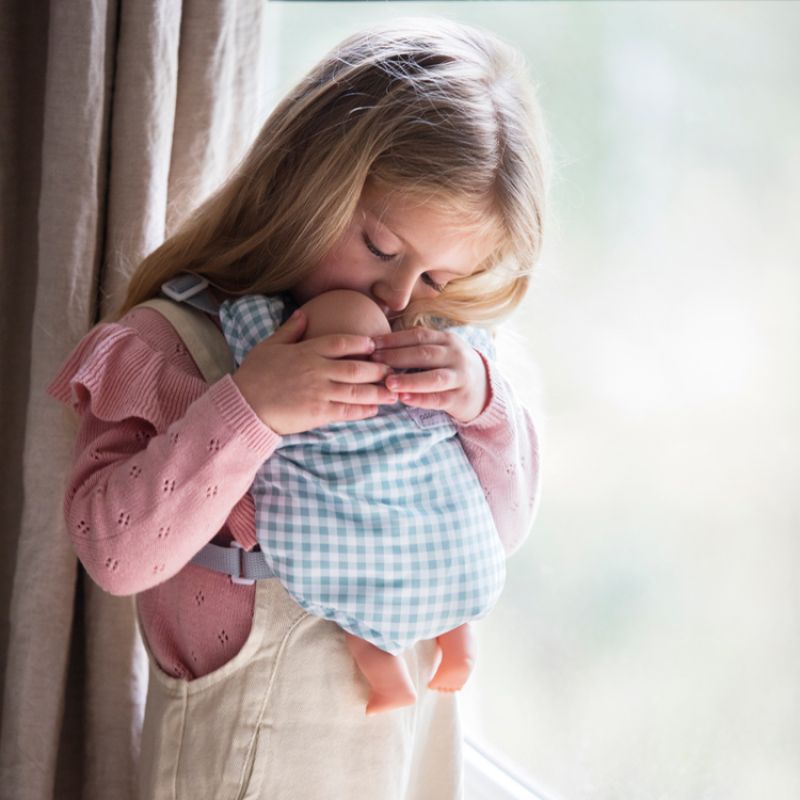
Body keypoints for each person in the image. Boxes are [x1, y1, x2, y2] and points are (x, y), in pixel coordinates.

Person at [47, 16, 548, 800]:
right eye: (382, 248)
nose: (399, 296)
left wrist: (482, 404)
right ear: (304, 180)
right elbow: (115, 557)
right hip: (250, 749)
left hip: (412, 746)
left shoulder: (437, 348)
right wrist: (249, 409)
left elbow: (502, 531)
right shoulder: (173, 345)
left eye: (440, 278)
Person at [220, 288, 502, 715]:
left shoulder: (292, 381)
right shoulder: (414, 378)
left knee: (363, 626)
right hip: (456, 555)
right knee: (447, 575)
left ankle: (391, 685)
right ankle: (460, 652)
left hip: (367, 562)